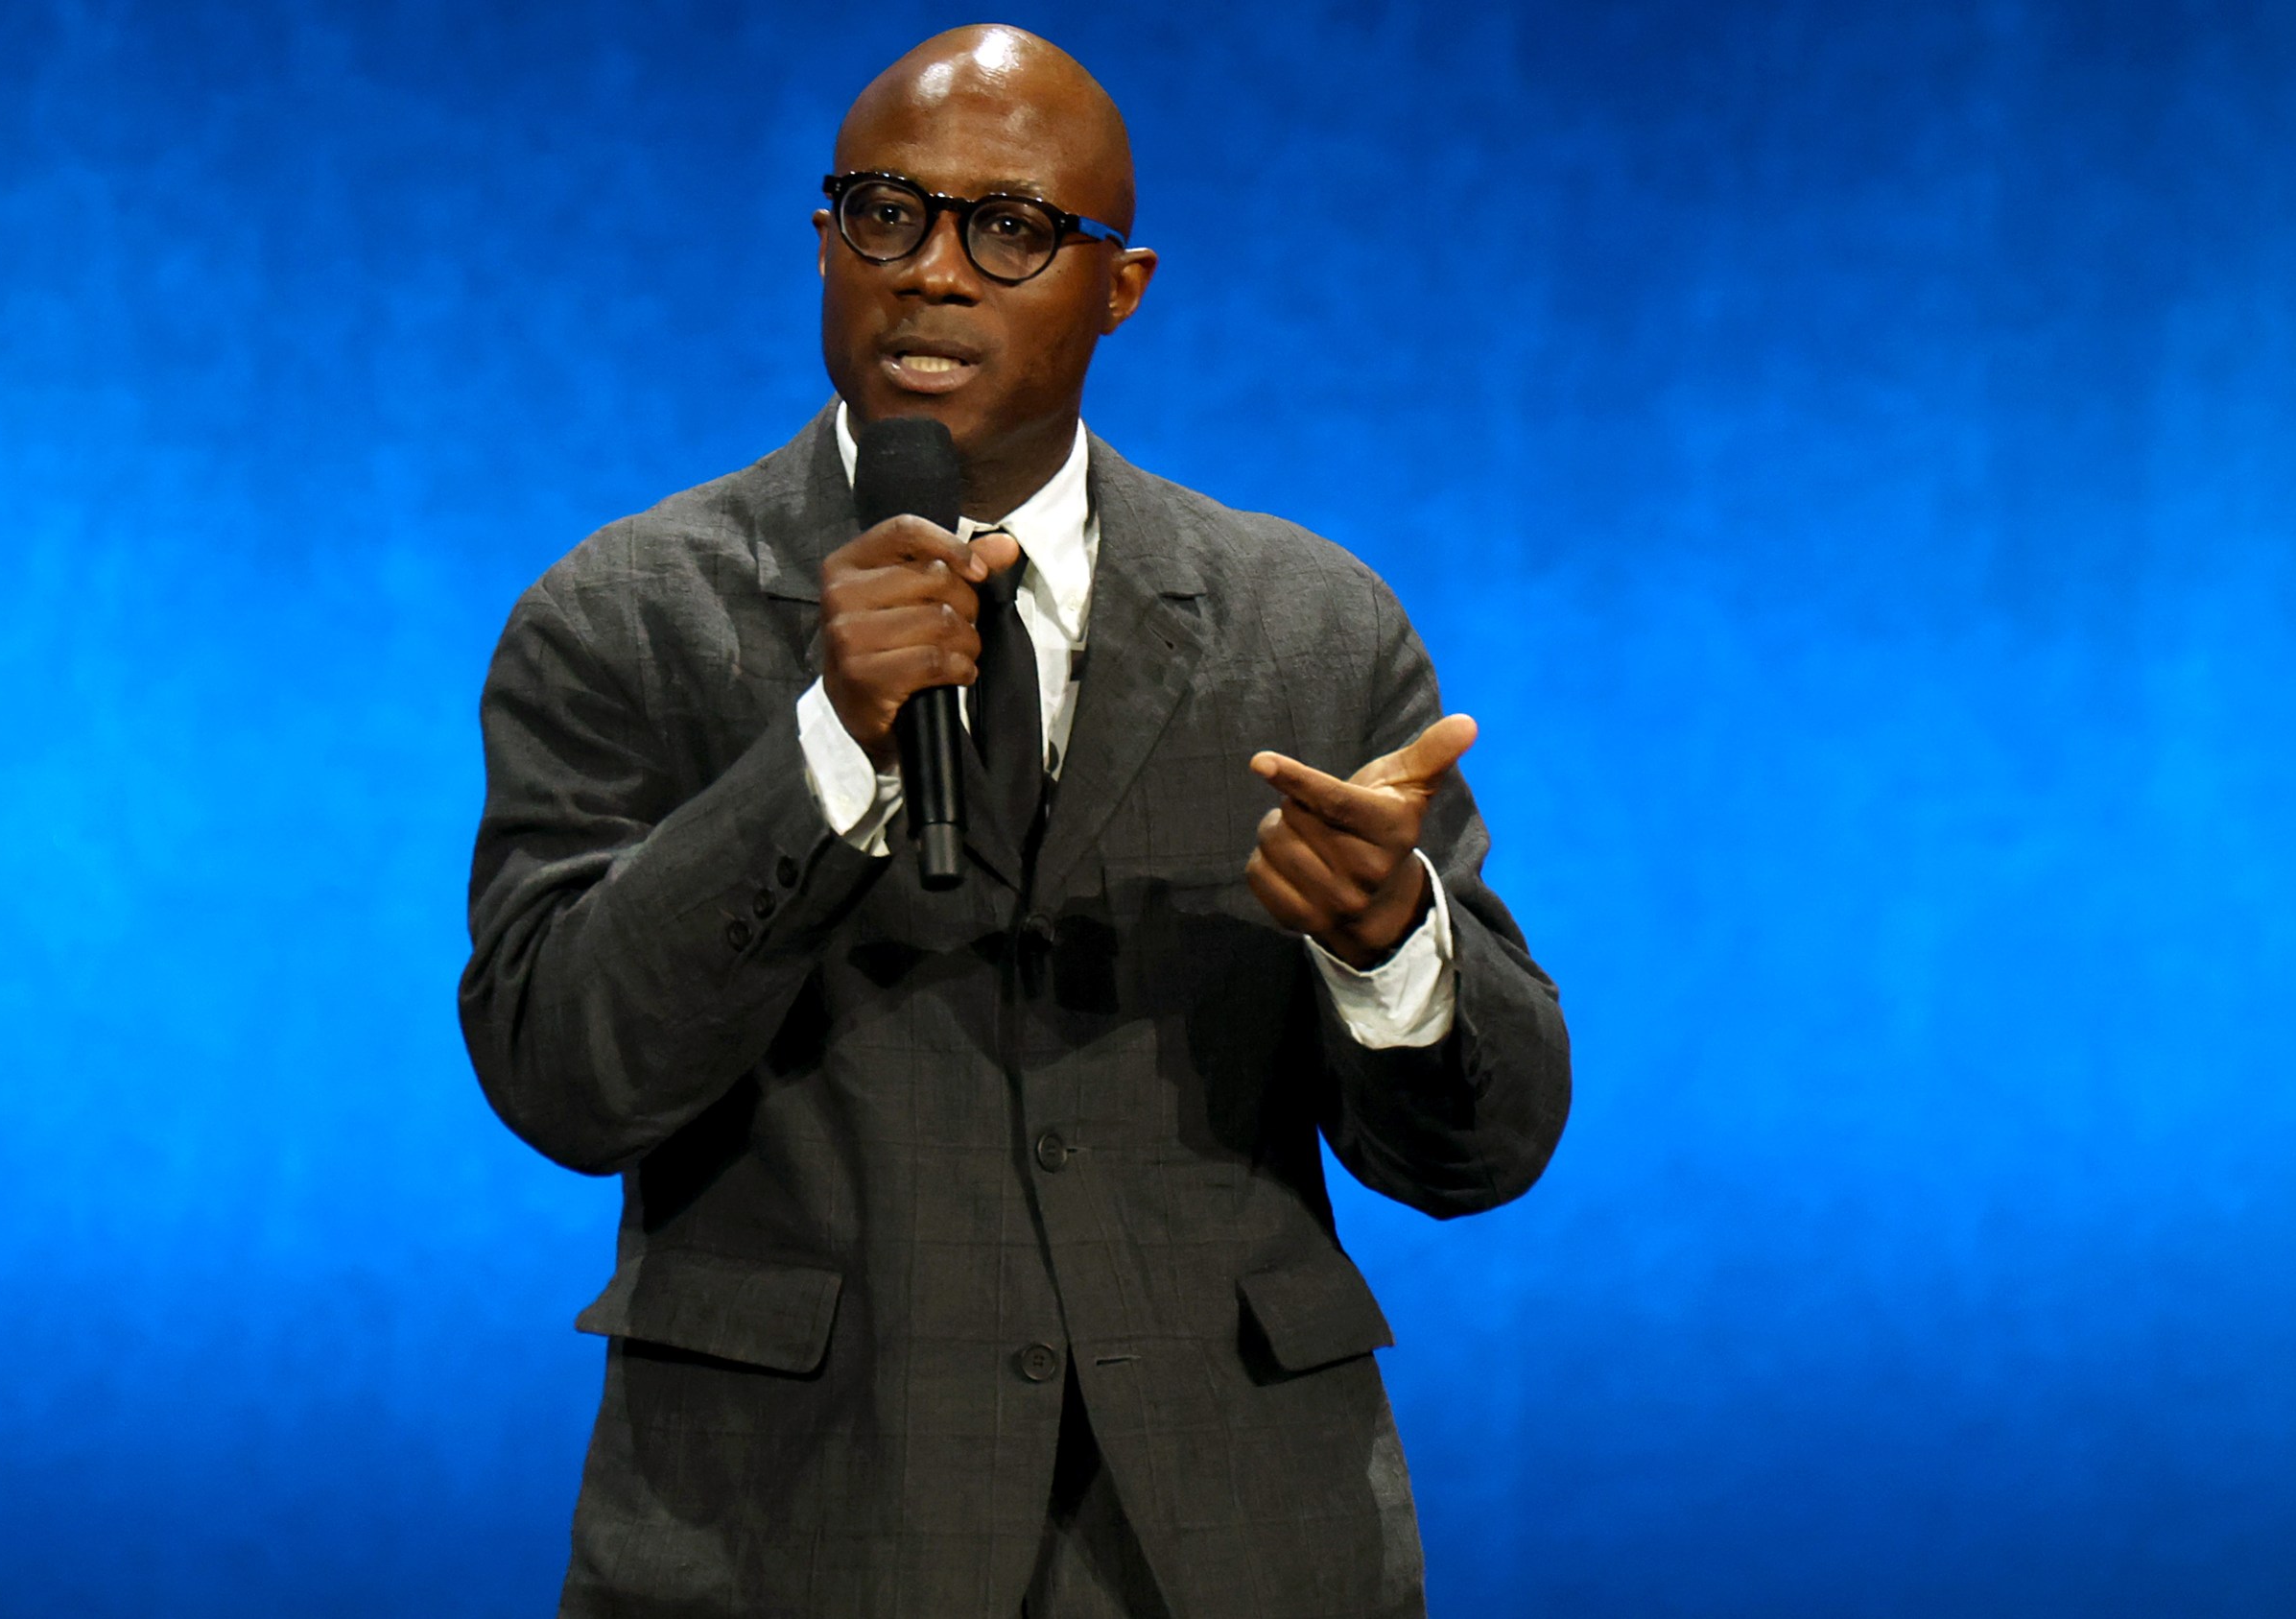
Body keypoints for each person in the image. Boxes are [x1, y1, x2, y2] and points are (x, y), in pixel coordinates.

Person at [459, 25, 1570, 1618]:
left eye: (1014, 229)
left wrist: (1392, 948)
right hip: (792, 1535)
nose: (933, 275)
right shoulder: (623, 614)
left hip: (1236, 1541)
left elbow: (1484, 1149)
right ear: (827, 241)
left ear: (1122, 286)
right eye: (886, 217)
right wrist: (827, 749)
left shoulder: (1312, 629)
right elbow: (564, 1076)